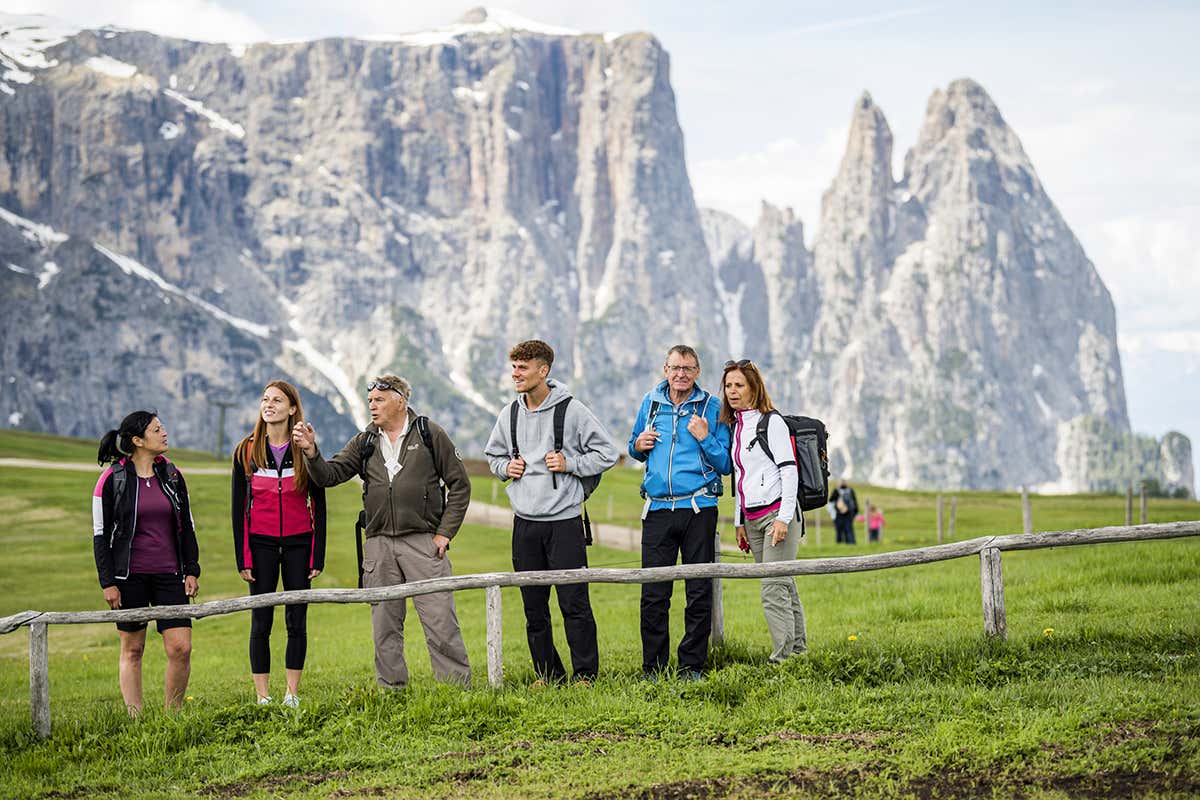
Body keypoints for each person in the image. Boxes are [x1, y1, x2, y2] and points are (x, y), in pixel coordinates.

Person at [292, 374, 472, 688]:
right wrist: (311, 453)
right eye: (370, 401)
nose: (372, 406)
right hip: (378, 546)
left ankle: (457, 690)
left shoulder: (430, 433)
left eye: (379, 400)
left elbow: (460, 485)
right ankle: (392, 692)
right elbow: (330, 475)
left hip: (423, 543)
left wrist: (445, 533)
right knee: (385, 626)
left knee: (440, 620)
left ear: (400, 401)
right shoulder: (366, 441)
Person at [484, 340, 619, 684]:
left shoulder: (571, 410)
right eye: (513, 367)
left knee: (574, 604)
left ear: (543, 371)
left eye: (522, 367)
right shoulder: (509, 413)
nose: (515, 374)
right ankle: (549, 675)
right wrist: (505, 469)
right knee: (534, 609)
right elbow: (493, 456)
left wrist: (570, 463)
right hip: (524, 525)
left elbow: (607, 453)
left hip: (564, 524)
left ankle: (586, 675)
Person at [628, 345, 731, 679]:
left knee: (698, 589)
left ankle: (691, 666)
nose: (681, 374)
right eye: (675, 367)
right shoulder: (650, 403)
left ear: (698, 372)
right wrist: (637, 445)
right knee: (653, 592)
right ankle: (652, 668)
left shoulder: (713, 407)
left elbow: (725, 463)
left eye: (687, 368)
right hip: (657, 509)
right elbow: (634, 448)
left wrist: (704, 438)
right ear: (665, 369)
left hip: (699, 507)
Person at [92, 411, 200, 715]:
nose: (164, 433)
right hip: (129, 577)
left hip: (170, 575)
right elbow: (100, 535)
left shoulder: (173, 475)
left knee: (181, 648)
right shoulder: (112, 480)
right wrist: (108, 582)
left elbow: (187, 526)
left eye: (162, 427)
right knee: (133, 649)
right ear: (138, 440)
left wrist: (191, 569)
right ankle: (135, 718)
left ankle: (173, 715)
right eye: (157, 429)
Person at [232, 380, 327, 707]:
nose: (268, 405)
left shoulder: (305, 449)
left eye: (276, 400)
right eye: (264, 399)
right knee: (261, 621)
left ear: (292, 409)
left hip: (300, 545)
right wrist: (242, 557)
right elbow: (238, 510)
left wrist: (318, 553)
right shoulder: (246, 450)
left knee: (296, 620)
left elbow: (320, 504)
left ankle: (292, 694)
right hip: (261, 547)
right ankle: (262, 696)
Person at [721, 360, 807, 662]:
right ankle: (798, 652)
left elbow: (789, 471)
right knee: (784, 584)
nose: (733, 391)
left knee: (773, 589)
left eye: (739, 385)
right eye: (729, 386)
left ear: (753, 388)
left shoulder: (772, 422)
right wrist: (739, 521)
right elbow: (739, 477)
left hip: (776, 516)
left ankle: (782, 659)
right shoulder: (736, 427)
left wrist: (783, 518)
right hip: (753, 520)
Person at [829, 479, 858, 544]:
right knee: (849, 529)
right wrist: (855, 512)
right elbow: (854, 502)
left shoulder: (836, 490)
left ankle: (839, 543)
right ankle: (851, 543)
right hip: (849, 513)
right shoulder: (850, 490)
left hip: (839, 514)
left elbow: (831, 501)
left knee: (839, 530)